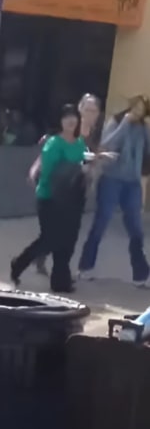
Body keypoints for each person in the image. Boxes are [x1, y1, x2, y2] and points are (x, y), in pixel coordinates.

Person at [12, 105, 111, 292]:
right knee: (50, 239)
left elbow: (82, 163)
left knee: (68, 241)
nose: (70, 120)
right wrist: (77, 169)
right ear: (60, 121)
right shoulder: (54, 143)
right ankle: (18, 265)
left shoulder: (80, 143)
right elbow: (49, 172)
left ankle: (60, 281)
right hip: (51, 198)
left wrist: (95, 160)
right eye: (66, 117)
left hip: (73, 199)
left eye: (73, 116)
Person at [77, 94, 150, 286]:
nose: (138, 112)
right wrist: (125, 124)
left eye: (142, 109)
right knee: (101, 223)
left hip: (132, 183)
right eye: (136, 107)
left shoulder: (143, 127)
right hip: (112, 180)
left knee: (136, 228)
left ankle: (141, 274)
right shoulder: (116, 121)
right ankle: (85, 267)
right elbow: (107, 144)